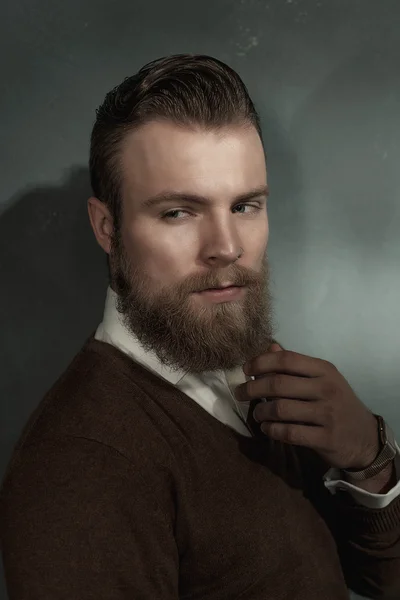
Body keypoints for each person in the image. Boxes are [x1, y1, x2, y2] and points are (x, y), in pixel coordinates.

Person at [1, 54, 400, 600]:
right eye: (178, 213)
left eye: (245, 205)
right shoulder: (81, 464)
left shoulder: (255, 364)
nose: (227, 248)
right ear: (107, 228)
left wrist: (369, 459)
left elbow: (383, 579)